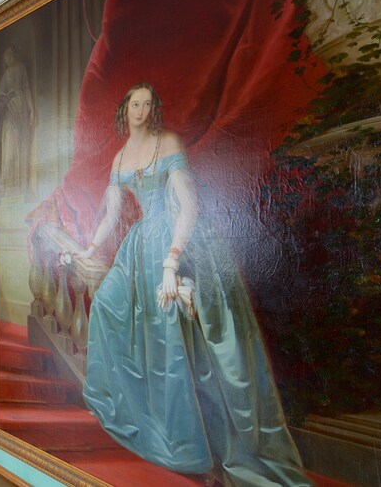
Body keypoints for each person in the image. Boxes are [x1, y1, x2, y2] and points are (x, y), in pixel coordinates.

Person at [75, 83, 311, 486]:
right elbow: (111, 214)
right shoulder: (119, 159)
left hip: (181, 242)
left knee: (180, 339)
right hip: (141, 245)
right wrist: (91, 248)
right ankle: (155, 424)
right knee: (106, 306)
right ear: (124, 109)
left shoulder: (168, 142)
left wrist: (172, 262)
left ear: (154, 110)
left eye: (148, 104)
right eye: (135, 103)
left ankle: (201, 451)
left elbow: (190, 204)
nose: (141, 109)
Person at [0, 45, 35, 198]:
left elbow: (26, 89)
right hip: (8, 109)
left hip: (20, 107)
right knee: (9, 146)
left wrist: (32, 111)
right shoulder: (6, 74)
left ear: (13, 55)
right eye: (6, 58)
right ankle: (8, 185)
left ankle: (21, 184)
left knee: (21, 144)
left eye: (9, 56)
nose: (8, 60)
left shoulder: (21, 68)